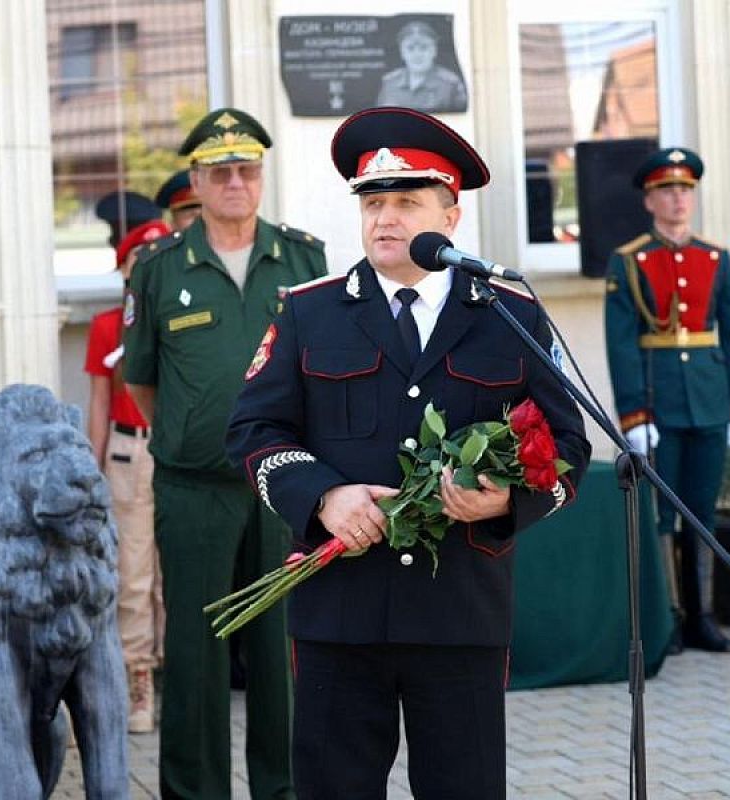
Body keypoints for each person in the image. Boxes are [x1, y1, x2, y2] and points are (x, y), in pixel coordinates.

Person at [226, 106, 590, 799]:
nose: (384, 219)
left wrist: (509, 498)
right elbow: (253, 431)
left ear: (450, 217)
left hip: (458, 610)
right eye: (373, 202)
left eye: (406, 202)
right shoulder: (310, 312)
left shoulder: (510, 315)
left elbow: (568, 444)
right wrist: (326, 496)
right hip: (339, 610)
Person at [122, 107, 327, 800]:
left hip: (284, 487)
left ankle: (285, 789)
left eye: (246, 169)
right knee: (195, 658)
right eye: (220, 172)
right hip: (192, 493)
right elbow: (144, 380)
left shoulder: (304, 258)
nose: (235, 181)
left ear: (260, 177)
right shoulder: (157, 269)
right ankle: (193, 791)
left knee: (280, 654)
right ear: (197, 181)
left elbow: (324, 370)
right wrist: (195, 437)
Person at [603, 147, 730, 654]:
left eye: (685, 190)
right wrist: (634, 413)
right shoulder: (629, 261)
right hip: (659, 399)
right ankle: (668, 618)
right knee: (664, 517)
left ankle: (703, 617)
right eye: (668, 190)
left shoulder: (715, 257)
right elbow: (621, 342)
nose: (678, 199)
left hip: (710, 400)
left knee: (703, 511)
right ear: (649, 200)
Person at [84, 190, 169, 734]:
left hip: (177, 451)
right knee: (133, 575)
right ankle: (136, 679)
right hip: (127, 451)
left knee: (174, 577)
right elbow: (97, 401)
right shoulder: (109, 325)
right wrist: (89, 472)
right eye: (143, 260)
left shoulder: (181, 319)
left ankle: (174, 675)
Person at [376, 21, 467, 112]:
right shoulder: (389, 84)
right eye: (410, 48)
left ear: (434, 51)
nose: (417, 55)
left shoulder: (450, 85)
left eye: (424, 48)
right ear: (402, 52)